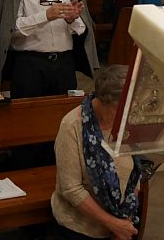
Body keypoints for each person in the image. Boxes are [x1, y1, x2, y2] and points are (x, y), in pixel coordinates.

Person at [52, 65, 141, 240]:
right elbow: (71, 189)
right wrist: (113, 224)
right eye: (119, 110)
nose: (125, 116)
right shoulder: (73, 126)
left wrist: (125, 221)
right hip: (80, 227)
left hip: (122, 220)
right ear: (103, 101)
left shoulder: (128, 121)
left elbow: (134, 176)